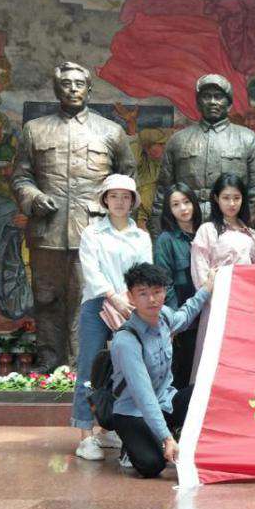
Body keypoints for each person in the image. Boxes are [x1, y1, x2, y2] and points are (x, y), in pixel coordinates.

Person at [13, 61, 136, 371]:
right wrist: (34, 197)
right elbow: (21, 177)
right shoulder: (35, 130)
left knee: (88, 299)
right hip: (47, 232)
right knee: (46, 298)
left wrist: (112, 215)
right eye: (65, 84)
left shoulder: (111, 132)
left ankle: (83, 366)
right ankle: (49, 363)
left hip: (94, 233)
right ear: (56, 90)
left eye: (79, 84)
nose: (72, 89)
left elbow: (127, 180)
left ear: (89, 90)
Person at [71, 174, 152, 461]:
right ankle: (85, 435)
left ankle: (111, 429)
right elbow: (91, 270)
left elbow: (144, 271)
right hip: (97, 305)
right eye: (114, 196)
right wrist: (111, 295)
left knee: (125, 370)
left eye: (126, 197)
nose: (119, 202)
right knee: (89, 368)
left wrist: (128, 299)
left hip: (129, 306)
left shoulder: (141, 236)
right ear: (105, 200)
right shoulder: (92, 233)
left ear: (133, 201)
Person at [109, 262, 216, 478]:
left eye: (157, 291)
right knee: (151, 466)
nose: (151, 299)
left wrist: (207, 288)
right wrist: (167, 439)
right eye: (143, 293)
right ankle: (133, 445)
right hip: (133, 411)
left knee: (206, 392)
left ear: (165, 292)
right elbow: (143, 396)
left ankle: (167, 432)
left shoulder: (165, 316)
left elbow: (185, 316)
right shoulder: (126, 341)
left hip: (165, 401)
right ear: (130, 297)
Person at [148, 74, 255, 234]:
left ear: (229, 104)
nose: (212, 101)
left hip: (233, 229)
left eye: (218, 96)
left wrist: (252, 234)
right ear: (198, 103)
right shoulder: (178, 141)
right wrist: (157, 235)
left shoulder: (249, 140)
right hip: (186, 227)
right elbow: (163, 193)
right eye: (206, 96)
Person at [190, 173, 255, 374]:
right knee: (213, 356)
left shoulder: (250, 233)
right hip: (217, 303)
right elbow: (200, 270)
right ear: (216, 199)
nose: (231, 203)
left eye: (236, 198)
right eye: (226, 198)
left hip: (245, 305)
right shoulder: (207, 230)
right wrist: (212, 296)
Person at [153, 183, 202, 389]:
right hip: (184, 320)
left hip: (207, 315)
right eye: (175, 204)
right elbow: (165, 282)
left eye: (186, 202)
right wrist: (175, 321)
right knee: (183, 374)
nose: (183, 208)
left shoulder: (205, 233)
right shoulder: (166, 240)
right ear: (169, 209)